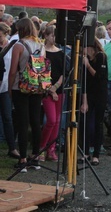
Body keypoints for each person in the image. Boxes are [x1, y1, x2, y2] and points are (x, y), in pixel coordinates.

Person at [8, 18, 45, 172]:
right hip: (36, 87)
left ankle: (23, 158)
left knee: (22, 122)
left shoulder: (19, 45)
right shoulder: (41, 44)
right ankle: (35, 157)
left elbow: (12, 71)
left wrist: (10, 88)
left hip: (21, 87)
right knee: (36, 122)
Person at [79, 38, 108, 165]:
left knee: (98, 123)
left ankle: (96, 154)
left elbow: (100, 77)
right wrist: (84, 101)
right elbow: (83, 81)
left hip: (100, 93)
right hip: (88, 94)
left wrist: (88, 65)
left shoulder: (101, 57)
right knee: (84, 122)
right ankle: (85, 153)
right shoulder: (84, 59)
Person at [39, 25, 64, 162]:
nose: (54, 38)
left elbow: (63, 73)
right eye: (52, 35)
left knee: (57, 121)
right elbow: (40, 72)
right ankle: (42, 147)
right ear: (47, 36)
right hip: (46, 91)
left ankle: (51, 149)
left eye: (56, 35)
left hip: (58, 90)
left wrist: (55, 87)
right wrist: (50, 89)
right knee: (51, 120)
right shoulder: (42, 52)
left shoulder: (60, 52)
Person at [0, 23, 19, 159]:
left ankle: (12, 147)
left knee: (7, 117)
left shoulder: (11, 46)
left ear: (5, 33)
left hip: (6, 86)